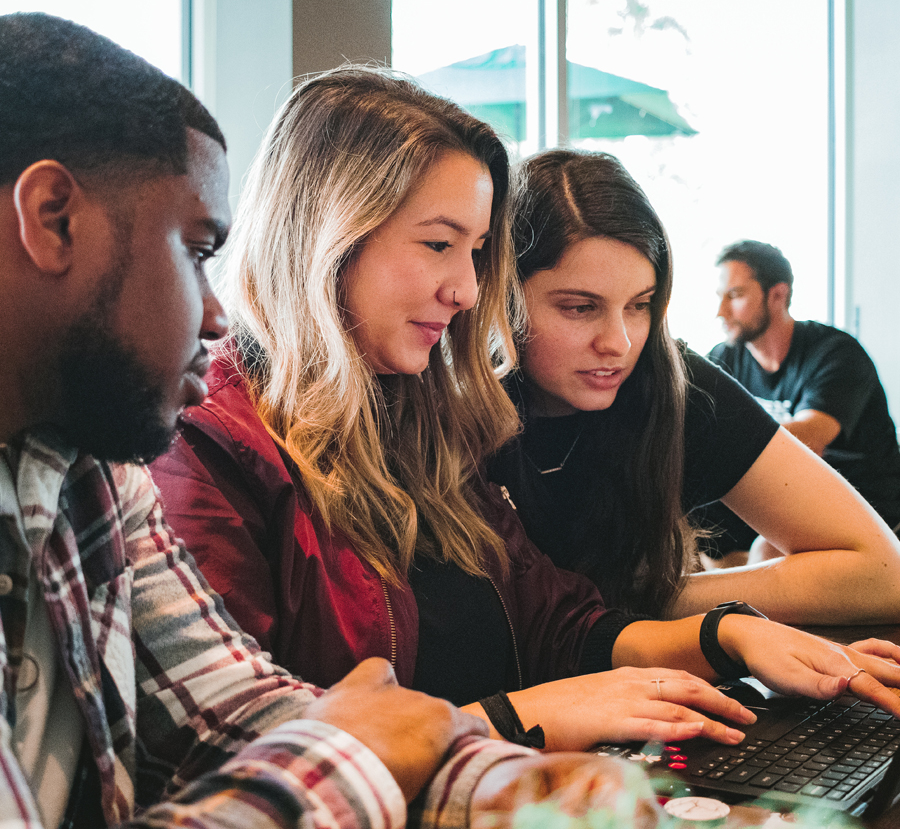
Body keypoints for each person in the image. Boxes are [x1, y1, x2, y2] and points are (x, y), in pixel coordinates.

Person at [0, 11, 643, 829]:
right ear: (53, 217)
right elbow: (321, 750)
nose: (213, 314)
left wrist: (500, 783)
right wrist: (379, 755)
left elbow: (231, 709)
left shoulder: (90, 472)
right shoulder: (190, 438)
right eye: (198, 251)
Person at [151, 67, 900, 757]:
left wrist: (728, 632)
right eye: (441, 244)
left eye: (476, 252)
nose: (470, 290)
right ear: (326, 235)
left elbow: (559, 622)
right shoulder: (211, 446)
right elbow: (245, 754)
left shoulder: (412, 416)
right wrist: (517, 717)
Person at [484, 149, 900, 625]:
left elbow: (883, 573)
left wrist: (646, 600)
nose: (619, 343)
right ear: (502, 293)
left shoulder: (675, 383)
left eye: (639, 305)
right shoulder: (443, 402)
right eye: (580, 308)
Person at [708, 240, 900, 552]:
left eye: (736, 295)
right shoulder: (724, 359)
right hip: (784, 493)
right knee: (681, 523)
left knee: (766, 549)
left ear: (778, 295)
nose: (721, 312)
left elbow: (809, 438)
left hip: (865, 500)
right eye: (719, 297)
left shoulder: (836, 353)